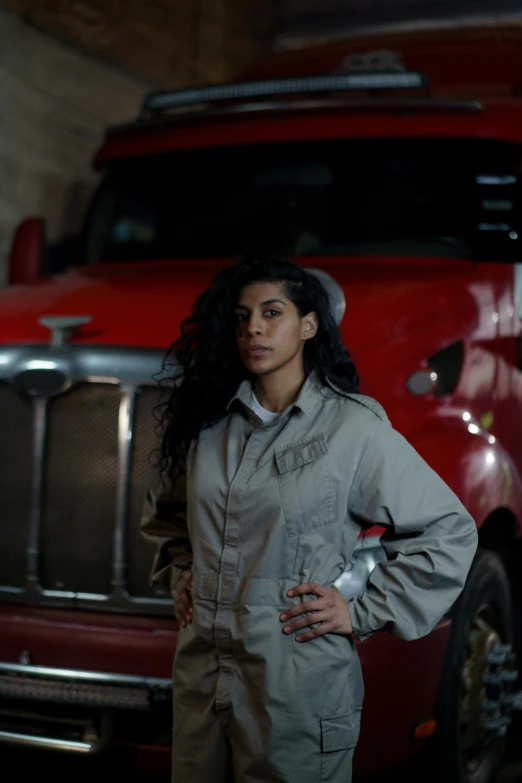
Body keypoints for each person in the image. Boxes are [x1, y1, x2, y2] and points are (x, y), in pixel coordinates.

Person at [141, 255, 478, 783]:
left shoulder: (353, 429)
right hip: (204, 680)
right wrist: (184, 572)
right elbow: (167, 516)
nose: (253, 327)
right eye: (241, 316)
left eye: (272, 312)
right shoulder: (209, 429)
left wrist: (361, 609)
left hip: (296, 684)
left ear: (308, 324)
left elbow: (449, 530)